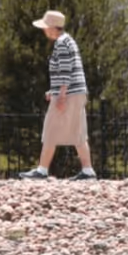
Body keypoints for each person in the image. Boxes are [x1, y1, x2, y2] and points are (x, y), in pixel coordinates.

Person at [18, 10, 96, 181]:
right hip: (77, 92)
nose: (44, 31)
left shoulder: (61, 43)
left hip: (69, 94)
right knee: (79, 131)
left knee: (51, 128)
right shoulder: (69, 40)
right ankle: (88, 170)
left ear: (53, 28)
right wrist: (54, 91)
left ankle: (42, 170)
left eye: (45, 27)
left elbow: (65, 70)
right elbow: (68, 71)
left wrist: (61, 95)